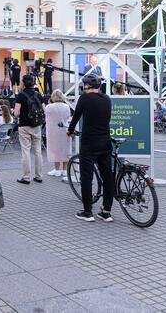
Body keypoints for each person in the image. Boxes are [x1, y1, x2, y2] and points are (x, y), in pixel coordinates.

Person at [67, 74, 113, 222]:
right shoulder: (106, 99)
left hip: (89, 143)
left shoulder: (84, 98)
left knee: (86, 177)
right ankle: (106, 212)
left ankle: (88, 212)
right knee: (107, 177)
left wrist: (70, 130)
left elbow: (75, 118)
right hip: (105, 142)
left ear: (86, 86)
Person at [14, 74, 45, 184]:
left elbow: (16, 113)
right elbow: (43, 110)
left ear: (23, 82)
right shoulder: (38, 94)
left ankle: (26, 177)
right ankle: (39, 176)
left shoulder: (21, 96)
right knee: (38, 151)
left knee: (26, 151)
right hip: (36, 126)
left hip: (24, 126)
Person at [45, 90, 71, 176]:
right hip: (64, 129)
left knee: (54, 149)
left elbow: (47, 118)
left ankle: (57, 169)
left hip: (52, 130)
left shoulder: (49, 107)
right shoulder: (66, 106)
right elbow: (68, 117)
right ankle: (64, 170)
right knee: (65, 149)